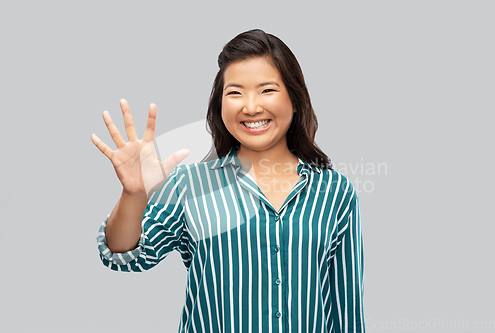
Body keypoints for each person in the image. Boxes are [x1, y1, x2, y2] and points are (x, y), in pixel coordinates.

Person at [91, 29, 365, 333]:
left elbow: (346, 309)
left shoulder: (335, 192)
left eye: (267, 90)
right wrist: (134, 194)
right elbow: (124, 256)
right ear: (220, 107)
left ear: (295, 99)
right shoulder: (189, 185)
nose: (250, 107)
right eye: (235, 92)